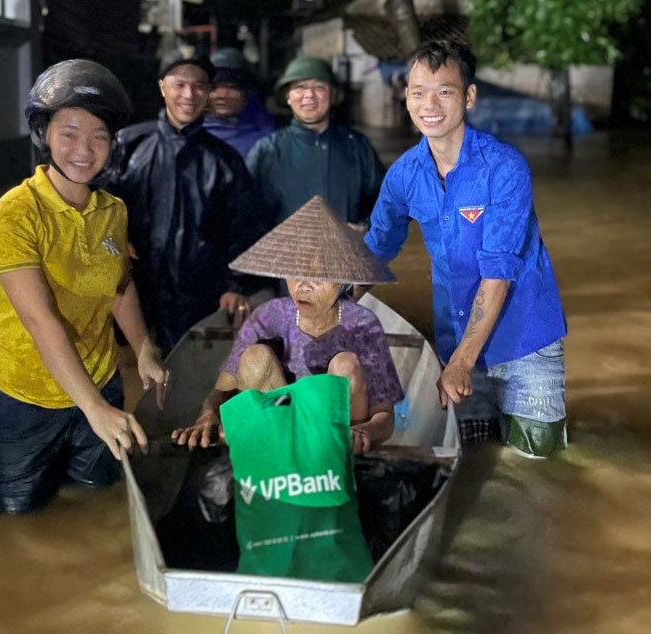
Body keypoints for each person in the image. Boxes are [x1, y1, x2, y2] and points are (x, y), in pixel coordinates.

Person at [364, 40, 568, 459]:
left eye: (444, 91)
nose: (429, 104)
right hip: (454, 336)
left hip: (524, 337)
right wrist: (326, 301)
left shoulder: (504, 167)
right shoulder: (404, 175)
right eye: (418, 92)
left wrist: (460, 362)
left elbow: (497, 273)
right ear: (406, 98)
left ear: (469, 96)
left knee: (539, 463)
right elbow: (376, 250)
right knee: (472, 458)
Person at [0, 59, 167, 514]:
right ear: (44, 135)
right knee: (14, 522)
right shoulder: (14, 215)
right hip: (26, 396)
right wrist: (95, 410)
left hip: (103, 382)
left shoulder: (113, 211)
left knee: (97, 505)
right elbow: (40, 321)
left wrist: (143, 348)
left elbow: (119, 287)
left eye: (99, 136)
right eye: (70, 133)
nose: (85, 149)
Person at [172, 196, 404, 454]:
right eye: (295, 273)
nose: (303, 286)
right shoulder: (267, 317)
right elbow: (221, 391)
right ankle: (283, 452)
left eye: (319, 277)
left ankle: (327, 461)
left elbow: (385, 416)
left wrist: (364, 433)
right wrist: (207, 416)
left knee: (346, 364)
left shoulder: (362, 324)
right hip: (281, 431)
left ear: (342, 281)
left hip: (334, 440)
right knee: (255, 357)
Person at [100, 54, 271, 355]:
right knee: (132, 363)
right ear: (162, 87)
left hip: (200, 292)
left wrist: (237, 285)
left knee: (192, 373)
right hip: (134, 287)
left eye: (199, 86)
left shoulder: (224, 160)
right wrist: (115, 238)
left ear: (207, 93)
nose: (188, 95)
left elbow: (246, 227)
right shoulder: (129, 145)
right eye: (179, 84)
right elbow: (98, 203)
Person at [246, 56, 385, 230]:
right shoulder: (267, 150)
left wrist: (366, 226)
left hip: (346, 253)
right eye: (300, 87)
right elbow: (244, 212)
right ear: (288, 96)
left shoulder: (357, 146)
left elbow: (387, 201)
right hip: (285, 255)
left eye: (319, 87)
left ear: (333, 95)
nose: (309, 95)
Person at [203, 47, 274, 158]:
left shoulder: (268, 139)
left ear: (246, 92)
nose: (222, 95)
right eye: (214, 88)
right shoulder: (187, 136)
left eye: (232, 87)